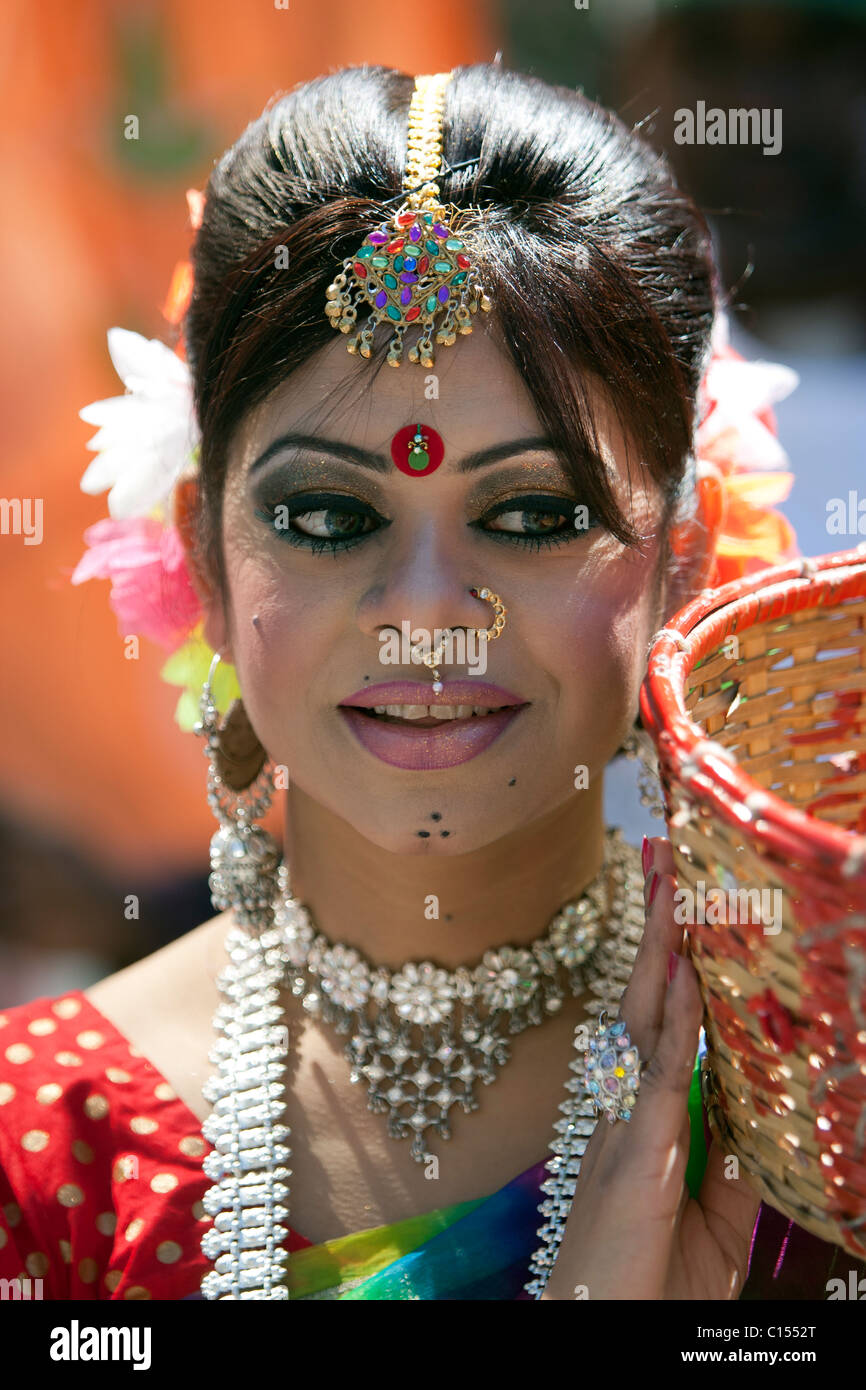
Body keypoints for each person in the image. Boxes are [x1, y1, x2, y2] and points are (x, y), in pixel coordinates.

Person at [0, 62, 854, 1302]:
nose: (424, 614)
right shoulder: (44, 1151)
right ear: (202, 555)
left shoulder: (817, 1123)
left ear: (682, 555)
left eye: (533, 510)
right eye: (326, 514)